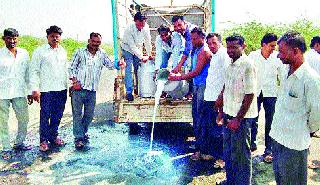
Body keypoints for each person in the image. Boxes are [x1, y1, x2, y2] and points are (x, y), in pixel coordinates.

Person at [270, 31, 320, 185]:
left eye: (282, 52)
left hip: (294, 144)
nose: (278, 55)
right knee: (280, 179)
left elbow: (316, 115)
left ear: (296, 51)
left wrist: (306, 130)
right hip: (277, 137)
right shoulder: (285, 70)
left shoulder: (311, 79)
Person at [216, 34, 257, 185]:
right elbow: (226, 85)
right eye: (228, 47)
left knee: (241, 154)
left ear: (243, 47)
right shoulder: (230, 63)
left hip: (241, 118)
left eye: (234, 47)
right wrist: (220, 99)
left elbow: (250, 94)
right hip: (228, 113)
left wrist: (238, 119)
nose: (230, 50)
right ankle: (230, 181)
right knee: (228, 152)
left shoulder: (247, 65)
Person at [69, 32, 121, 149]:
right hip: (78, 89)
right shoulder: (80, 52)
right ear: (89, 41)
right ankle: (79, 138)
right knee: (77, 115)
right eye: (94, 42)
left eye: (98, 42)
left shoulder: (102, 53)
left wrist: (119, 64)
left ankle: (83, 131)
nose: (95, 44)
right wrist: (75, 82)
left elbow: (110, 65)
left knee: (89, 115)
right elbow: (71, 67)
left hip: (92, 91)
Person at [168, 27, 212, 160]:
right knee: (196, 117)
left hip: (203, 86)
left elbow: (196, 72)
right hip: (197, 86)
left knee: (201, 118)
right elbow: (191, 69)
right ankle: (199, 146)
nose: (192, 41)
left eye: (195, 38)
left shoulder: (204, 51)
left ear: (202, 38)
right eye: (191, 38)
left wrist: (178, 77)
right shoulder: (195, 49)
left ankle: (203, 150)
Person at [29, 25, 68, 152]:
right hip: (46, 90)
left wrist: (70, 85)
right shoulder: (40, 51)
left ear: (60, 38)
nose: (55, 38)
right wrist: (35, 89)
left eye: (57, 36)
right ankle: (43, 140)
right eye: (52, 36)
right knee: (45, 115)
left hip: (61, 88)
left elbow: (66, 70)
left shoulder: (62, 51)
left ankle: (54, 137)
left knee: (57, 114)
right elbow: (34, 71)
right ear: (47, 37)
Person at [247, 33, 283, 162]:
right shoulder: (253, 56)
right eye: (271, 46)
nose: (274, 48)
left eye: (275, 46)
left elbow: (282, 76)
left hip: (271, 93)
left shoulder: (277, 58)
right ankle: (251, 145)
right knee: (252, 119)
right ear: (263, 45)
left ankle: (269, 150)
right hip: (255, 91)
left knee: (271, 121)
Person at [0, 28, 32, 159]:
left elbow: (28, 74)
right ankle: (6, 147)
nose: (12, 41)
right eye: (9, 38)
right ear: (4, 39)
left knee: (24, 119)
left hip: (19, 92)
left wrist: (30, 91)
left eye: (14, 38)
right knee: (3, 121)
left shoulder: (24, 53)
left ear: (18, 38)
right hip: (2, 93)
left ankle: (19, 142)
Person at [202, 33, 230, 165]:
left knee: (219, 130)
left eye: (214, 43)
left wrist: (221, 99)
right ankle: (214, 154)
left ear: (220, 42)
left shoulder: (224, 55)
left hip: (217, 99)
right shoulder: (215, 56)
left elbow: (227, 79)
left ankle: (222, 158)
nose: (211, 46)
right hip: (210, 97)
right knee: (211, 128)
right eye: (209, 44)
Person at [121, 12, 153, 101]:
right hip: (127, 49)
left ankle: (138, 89)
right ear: (135, 21)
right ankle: (129, 92)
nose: (142, 25)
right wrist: (142, 57)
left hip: (137, 48)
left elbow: (147, 41)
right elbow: (132, 46)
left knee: (138, 69)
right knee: (129, 69)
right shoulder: (129, 29)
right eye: (140, 23)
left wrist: (149, 54)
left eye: (144, 22)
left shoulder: (146, 27)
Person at [171, 15, 197, 100]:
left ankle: (192, 93)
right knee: (189, 68)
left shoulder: (190, 31)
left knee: (193, 69)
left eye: (179, 25)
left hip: (200, 51)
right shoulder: (180, 33)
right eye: (175, 26)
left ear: (184, 23)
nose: (177, 28)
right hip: (194, 51)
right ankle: (190, 92)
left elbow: (187, 49)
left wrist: (179, 65)